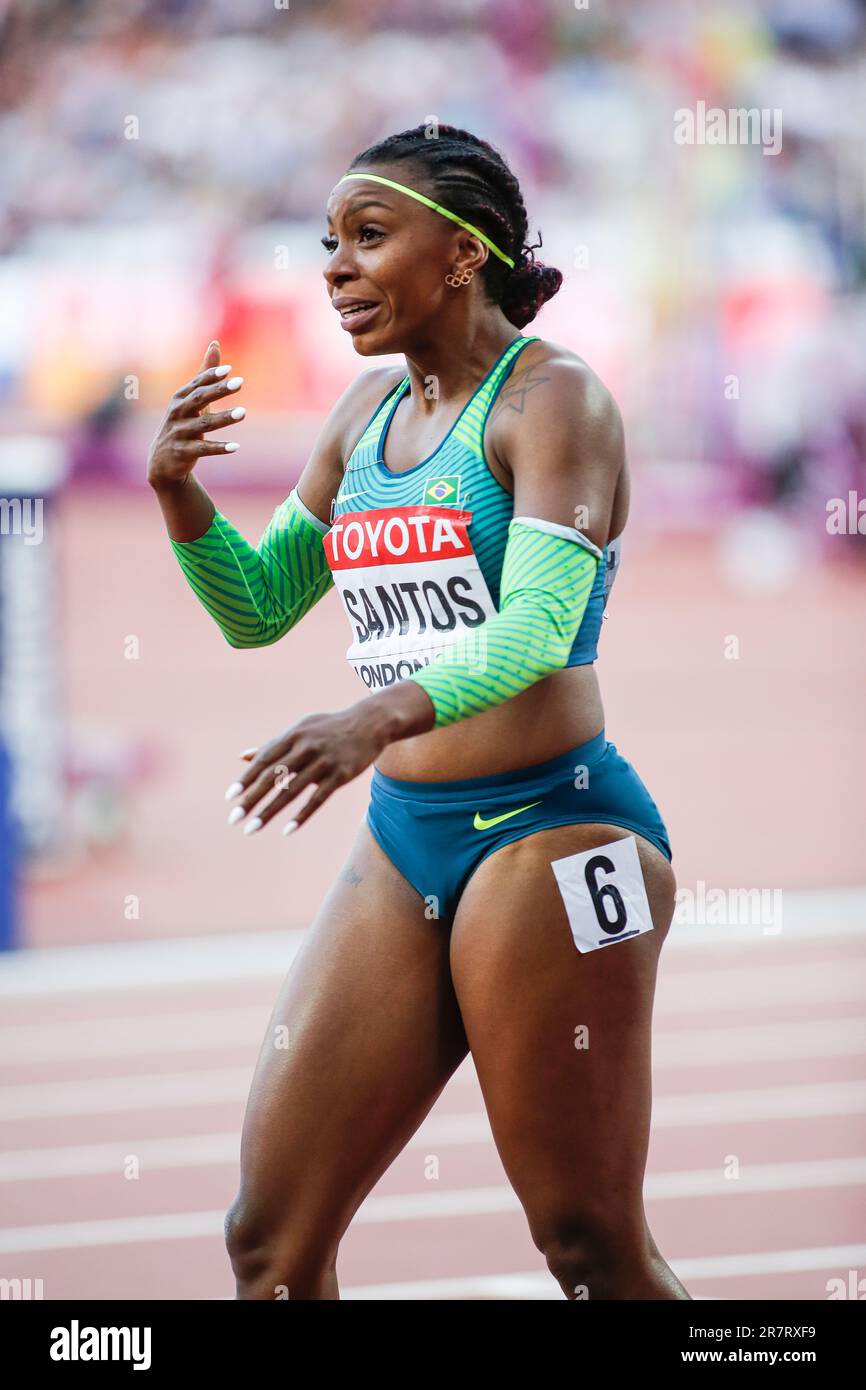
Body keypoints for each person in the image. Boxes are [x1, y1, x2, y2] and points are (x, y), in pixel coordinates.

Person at [148, 123, 690, 1301]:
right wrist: (178, 495)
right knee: (269, 1244)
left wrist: (371, 717)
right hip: (407, 840)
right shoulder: (356, 419)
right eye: (326, 243)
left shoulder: (553, 402)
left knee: (589, 1247)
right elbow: (258, 608)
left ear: (459, 254)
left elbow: (539, 626)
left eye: (367, 236)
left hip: (555, 827)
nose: (333, 267)